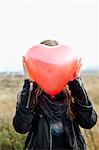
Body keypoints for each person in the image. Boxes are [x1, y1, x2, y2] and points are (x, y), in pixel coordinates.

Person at [13, 40, 97, 150]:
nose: (51, 70)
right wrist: (29, 85)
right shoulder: (30, 95)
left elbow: (88, 122)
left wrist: (75, 82)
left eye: (55, 65)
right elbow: (21, 127)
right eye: (46, 65)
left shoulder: (72, 93)